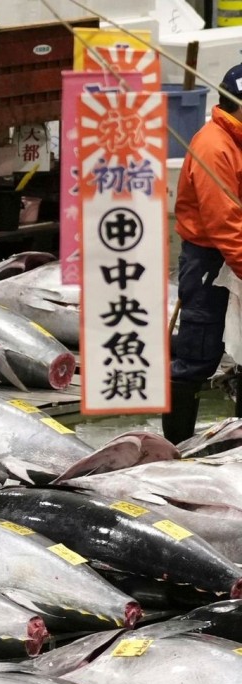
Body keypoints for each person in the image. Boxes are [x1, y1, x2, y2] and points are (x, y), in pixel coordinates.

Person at [164, 63, 242, 443]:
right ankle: (175, 450)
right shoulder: (215, 146)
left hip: (235, 256)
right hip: (210, 259)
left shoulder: (238, 139)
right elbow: (224, 225)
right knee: (198, 354)